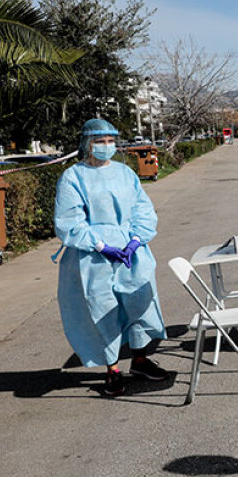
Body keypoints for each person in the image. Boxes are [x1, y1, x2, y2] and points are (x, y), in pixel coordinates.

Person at [55, 119, 168, 396]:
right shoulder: (73, 176)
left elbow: (142, 209)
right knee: (102, 310)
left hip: (131, 253)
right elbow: (69, 221)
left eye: (110, 141)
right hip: (92, 257)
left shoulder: (125, 173)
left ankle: (140, 360)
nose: (106, 146)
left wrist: (136, 239)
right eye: (99, 141)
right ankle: (113, 370)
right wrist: (101, 245)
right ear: (87, 144)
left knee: (140, 304)